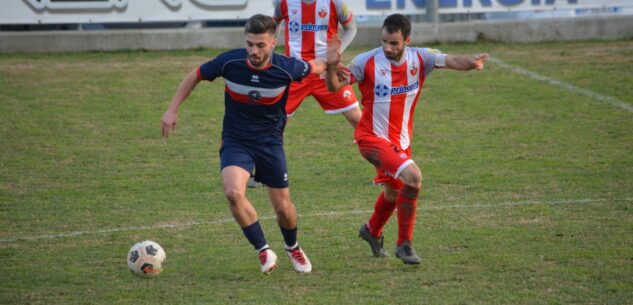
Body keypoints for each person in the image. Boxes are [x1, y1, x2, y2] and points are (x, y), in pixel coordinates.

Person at [161, 14, 331, 274]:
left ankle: (292, 246)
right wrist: (172, 109)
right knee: (233, 192)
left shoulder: (288, 68)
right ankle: (263, 250)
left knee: (283, 209)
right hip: (235, 139)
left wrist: (331, 59)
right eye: (249, 44)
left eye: (260, 45)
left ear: (274, 43)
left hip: (269, 143)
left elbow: (315, 66)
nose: (253, 50)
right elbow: (195, 75)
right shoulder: (230, 62)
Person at [326, 14, 488, 264]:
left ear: (407, 40)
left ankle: (371, 231)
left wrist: (472, 63)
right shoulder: (366, 62)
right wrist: (331, 66)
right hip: (370, 139)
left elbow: (452, 59)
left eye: (394, 43)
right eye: (384, 42)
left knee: (393, 193)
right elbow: (335, 86)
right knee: (413, 177)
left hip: (400, 142)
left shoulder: (421, 58)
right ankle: (404, 244)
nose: (388, 48)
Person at [272, 0, 361, 127]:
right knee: (275, 124)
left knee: (357, 119)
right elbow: (274, 22)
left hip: (327, 73)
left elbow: (351, 27)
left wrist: (337, 52)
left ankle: (372, 146)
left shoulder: (335, 3)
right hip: (295, 74)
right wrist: (271, 48)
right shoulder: (284, 3)